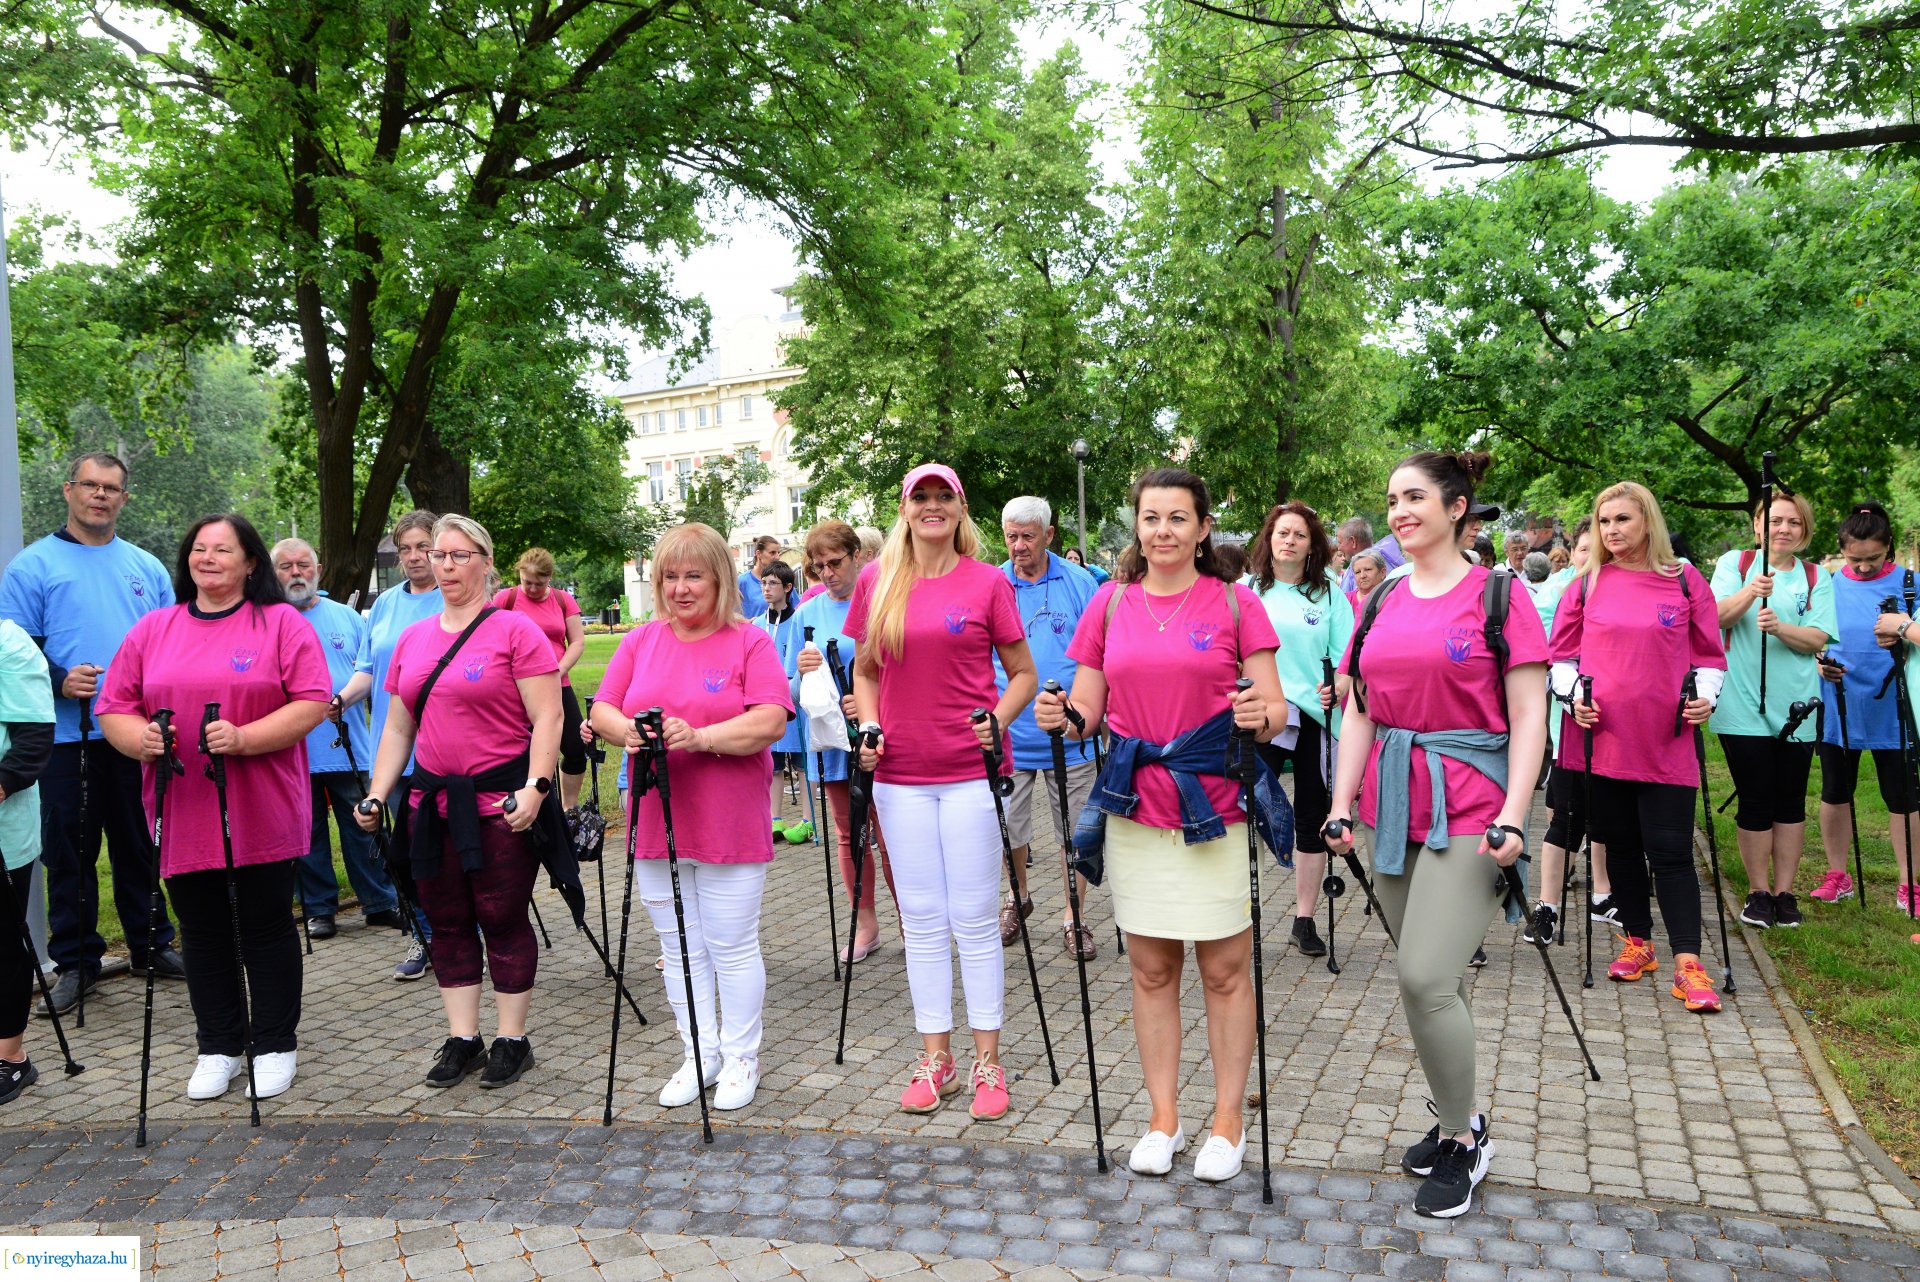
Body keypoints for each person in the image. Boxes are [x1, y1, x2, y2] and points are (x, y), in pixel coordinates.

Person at [1035, 466, 1287, 1185]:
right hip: (1135, 806)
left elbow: (1275, 709)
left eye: (1179, 518)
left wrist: (1255, 717)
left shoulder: (1236, 606)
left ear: (1204, 529)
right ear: (1136, 525)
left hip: (1214, 807)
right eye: (1151, 518)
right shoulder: (1110, 606)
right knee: (1150, 970)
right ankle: (1162, 1119)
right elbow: (1087, 706)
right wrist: (1063, 716)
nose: (1164, 531)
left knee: (1225, 971)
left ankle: (1228, 1121)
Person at [1322, 451, 1548, 1219]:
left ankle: (1464, 1138)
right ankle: (1458, 1111)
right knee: (1431, 983)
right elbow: (1360, 709)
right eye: (1391, 499)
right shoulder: (1379, 598)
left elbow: (1528, 717)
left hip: (1474, 806)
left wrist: (1517, 811)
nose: (1398, 511)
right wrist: (1341, 801)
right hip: (1390, 809)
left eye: (1414, 497)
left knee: (1423, 977)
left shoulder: (1499, 595)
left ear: (1457, 509)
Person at [97, 513, 332, 1101]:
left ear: (250, 562)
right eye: (198, 549)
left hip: (261, 801)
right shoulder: (154, 627)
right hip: (183, 805)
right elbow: (115, 706)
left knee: (265, 924)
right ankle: (219, 1045)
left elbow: (311, 701)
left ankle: (275, 1043)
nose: (207, 558)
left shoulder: (279, 623)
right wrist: (138, 740)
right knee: (201, 930)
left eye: (222, 550)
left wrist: (246, 737)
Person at [847, 463, 1037, 1122]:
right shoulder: (877, 581)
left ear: (959, 509)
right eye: (920, 498)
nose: (932, 507)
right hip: (900, 775)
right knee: (922, 923)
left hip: (970, 772)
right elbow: (865, 671)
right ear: (904, 509)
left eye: (943, 497)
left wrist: (1000, 720)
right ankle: (938, 1060)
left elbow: (1022, 674)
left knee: (976, 921)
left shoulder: (987, 581)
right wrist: (869, 723)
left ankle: (989, 1061)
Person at [353, 514, 564, 1092]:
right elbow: (398, 729)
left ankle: (512, 1039)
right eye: (439, 555)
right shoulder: (413, 640)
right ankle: (463, 1037)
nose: (446, 565)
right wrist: (376, 793)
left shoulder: (514, 632)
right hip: (432, 805)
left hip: (500, 803)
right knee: (445, 923)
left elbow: (549, 715)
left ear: (487, 561)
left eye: (459, 555)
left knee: (501, 916)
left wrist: (537, 786)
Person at [590, 523, 790, 1111]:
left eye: (693, 575)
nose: (680, 588)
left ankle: (741, 1056)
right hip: (656, 812)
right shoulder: (642, 641)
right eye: (670, 577)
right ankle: (697, 1051)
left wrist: (699, 737)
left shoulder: (747, 642)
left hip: (727, 814)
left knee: (730, 943)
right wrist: (628, 731)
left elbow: (770, 721)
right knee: (678, 945)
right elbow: (603, 706)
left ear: (719, 580)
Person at [0, 452, 185, 1016]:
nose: (101, 495)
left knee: (140, 841)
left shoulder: (147, 567)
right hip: (63, 738)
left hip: (134, 734)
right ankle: (76, 962)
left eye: (112, 488)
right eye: (91, 485)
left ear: (124, 498)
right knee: (70, 853)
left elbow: (170, 645)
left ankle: (150, 944)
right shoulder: (32, 567)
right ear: (68, 491)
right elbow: (15, 652)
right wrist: (59, 678)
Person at [1550, 482, 1725, 1014]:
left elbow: (1710, 655)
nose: (1612, 531)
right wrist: (1574, 696)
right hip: (1601, 741)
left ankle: (1689, 965)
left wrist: (1706, 697)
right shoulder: (1586, 583)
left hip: (1667, 741)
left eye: (1622, 519)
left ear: (1648, 520)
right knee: (1619, 845)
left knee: (1671, 852)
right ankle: (1637, 940)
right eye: (1604, 522)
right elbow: (1560, 658)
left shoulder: (1685, 579)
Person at [1711, 491, 1835, 928]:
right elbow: (1715, 618)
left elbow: (1819, 638)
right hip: (1741, 705)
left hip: (1796, 707)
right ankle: (1758, 891)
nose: (1784, 529)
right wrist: (1750, 592)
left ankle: (1786, 892)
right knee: (1755, 797)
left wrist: (1781, 628)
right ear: (1758, 525)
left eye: (1794, 523)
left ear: (1805, 531)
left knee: (1790, 801)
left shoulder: (1817, 577)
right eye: (1775, 520)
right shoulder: (1735, 564)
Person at [271, 539, 401, 939]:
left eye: (303, 565)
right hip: (290, 749)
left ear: (319, 570)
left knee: (366, 824)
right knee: (305, 834)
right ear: (272, 573)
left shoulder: (347, 617)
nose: (296, 573)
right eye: (286, 566)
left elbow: (373, 675)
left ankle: (381, 901)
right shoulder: (265, 621)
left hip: (349, 747)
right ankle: (319, 909)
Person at [993, 497, 1101, 959]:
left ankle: (1074, 916)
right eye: (1012, 536)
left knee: (1075, 832)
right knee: (1008, 829)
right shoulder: (993, 583)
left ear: (1049, 536)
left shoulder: (1080, 583)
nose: (1019, 546)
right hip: (1009, 734)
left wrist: (1092, 712)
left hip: (1071, 734)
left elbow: (1099, 654)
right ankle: (1017, 897)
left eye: (1028, 536)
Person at [1248, 501, 1353, 959]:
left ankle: (1304, 918)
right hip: (1259, 714)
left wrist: (1337, 686)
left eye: (1299, 535)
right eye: (1282, 532)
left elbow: (1347, 662)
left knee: (1313, 813)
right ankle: (1235, 916)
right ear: (1269, 538)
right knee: (1246, 808)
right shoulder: (1247, 591)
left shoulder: (1329, 592)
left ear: (1313, 546)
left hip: (1313, 716)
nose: (1288, 540)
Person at [791, 521, 897, 961]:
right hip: (834, 743)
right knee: (849, 832)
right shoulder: (805, 615)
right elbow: (791, 689)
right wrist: (803, 673)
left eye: (835, 562)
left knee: (893, 832)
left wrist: (869, 703)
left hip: (881, 737)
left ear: (858, 556)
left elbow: (899, 674)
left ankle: (913, 920)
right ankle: (866, 924)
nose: (828, 573)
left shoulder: (884, 602)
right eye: (818, 567)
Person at [1816, 503, 1918, 908]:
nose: (1861, 568)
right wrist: (1819, 664)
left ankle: (1909, 883)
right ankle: (1837, 874)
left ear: (1888, 547)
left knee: (1904, 796)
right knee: (1835, 791)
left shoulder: (1912, 582)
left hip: (1895, 704)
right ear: (1841, 549)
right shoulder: (1824, 585)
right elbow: (1813, 638)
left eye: (1872, 559)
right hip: (1840, 700)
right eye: (1853, 559)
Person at [362, 510, 442, 981]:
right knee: (405, 852)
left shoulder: (453, 600)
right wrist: (338, 698)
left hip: (440, 748)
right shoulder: (386, 605)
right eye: (406, 548)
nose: (413, 557)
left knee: (444, 849)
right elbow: (366, 670)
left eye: (422, 547)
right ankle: (424, 931)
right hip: (392, 750)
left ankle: (459, 931)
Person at [0, 618, 55, 1104]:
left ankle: (11, 1058)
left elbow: (34, 739)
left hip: (2, 831)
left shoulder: (8, 643)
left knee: (1, 943)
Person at [493, 548, 589, 809]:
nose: (533, 588)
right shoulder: (505, 598)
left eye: (539, 583)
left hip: (558, 684)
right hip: (518, 689)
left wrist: (557, 672)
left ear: (550, 578)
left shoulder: (562, 600)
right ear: (519, 574)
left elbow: (577, 642)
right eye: (527, 583)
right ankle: (534, 806)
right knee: (527, 753)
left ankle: (569, 808)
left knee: (575, 748)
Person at [755, 560, 808, 840]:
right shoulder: (757, 624)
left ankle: (807, 820)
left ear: (788, 587)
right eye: (764, 583)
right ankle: (774, 818)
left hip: (795, 700)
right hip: (767, 703)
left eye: (773, 583)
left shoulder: (798, 620)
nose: (766, 588)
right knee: (773, 763)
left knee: (801, 762)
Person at [737, 536, 783, 619]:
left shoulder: (783, 579)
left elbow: (796, 608)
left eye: (778, 553)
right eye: (772, 553)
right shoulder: (742, 581)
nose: (777, 557)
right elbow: (729, 613)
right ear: (759, 554)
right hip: (752, 631)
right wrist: (746, 622)